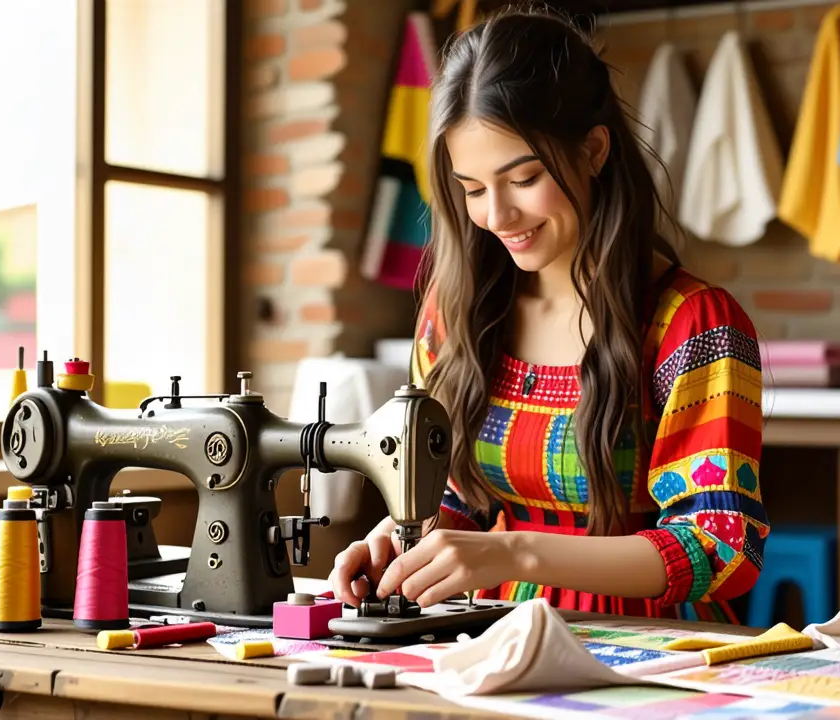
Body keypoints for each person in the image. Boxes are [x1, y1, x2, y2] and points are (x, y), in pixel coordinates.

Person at [329, 6, 768, 623]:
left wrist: (514, 553)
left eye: (524, 178)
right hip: (500, 633)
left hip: (657, 644)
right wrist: (400, 540)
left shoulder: (693, 326)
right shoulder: (454, 315)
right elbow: (462, 497)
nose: (497, 216)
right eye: (473, 189)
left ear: (593, 150)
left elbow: (723, 546)